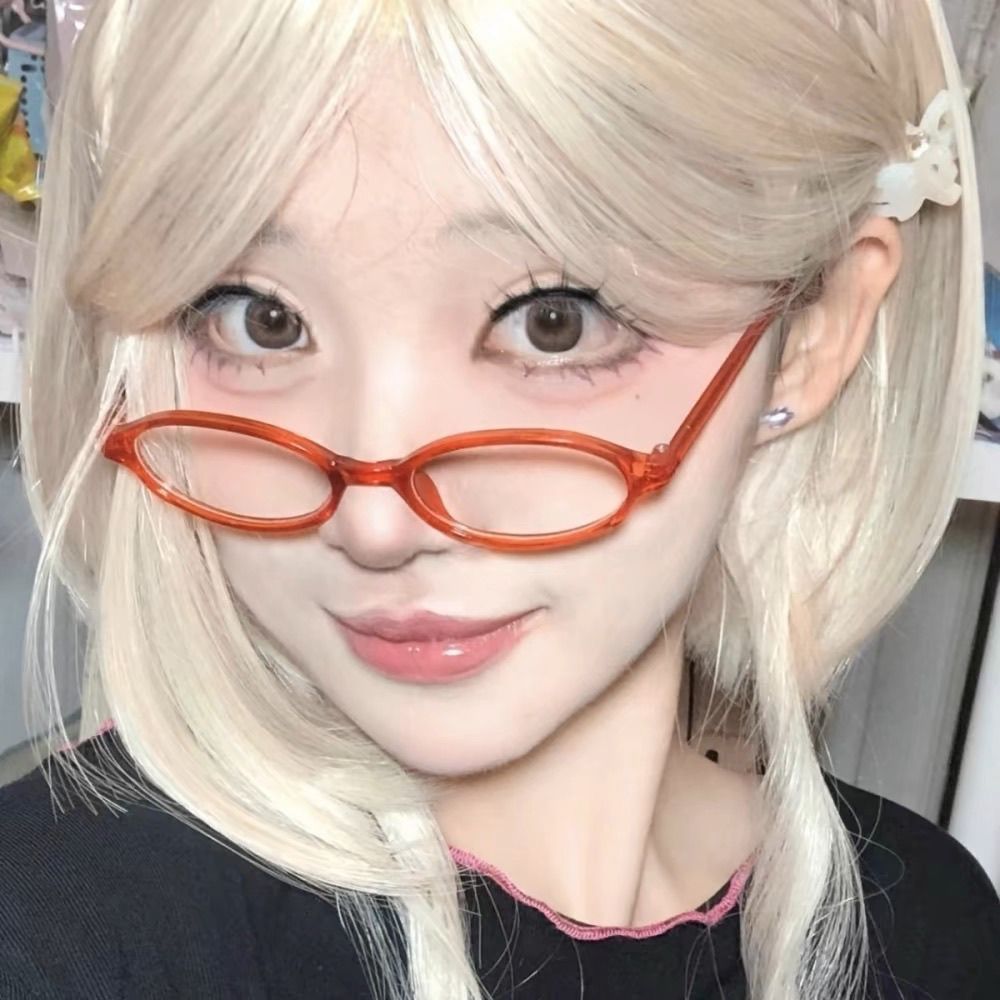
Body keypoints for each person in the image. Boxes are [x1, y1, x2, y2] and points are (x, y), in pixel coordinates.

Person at [1, 1, 998, 998]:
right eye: (262, 321)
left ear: (814, 335)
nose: (376, 524)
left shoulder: (928, 924)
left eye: (553, 323)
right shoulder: (57, 928)